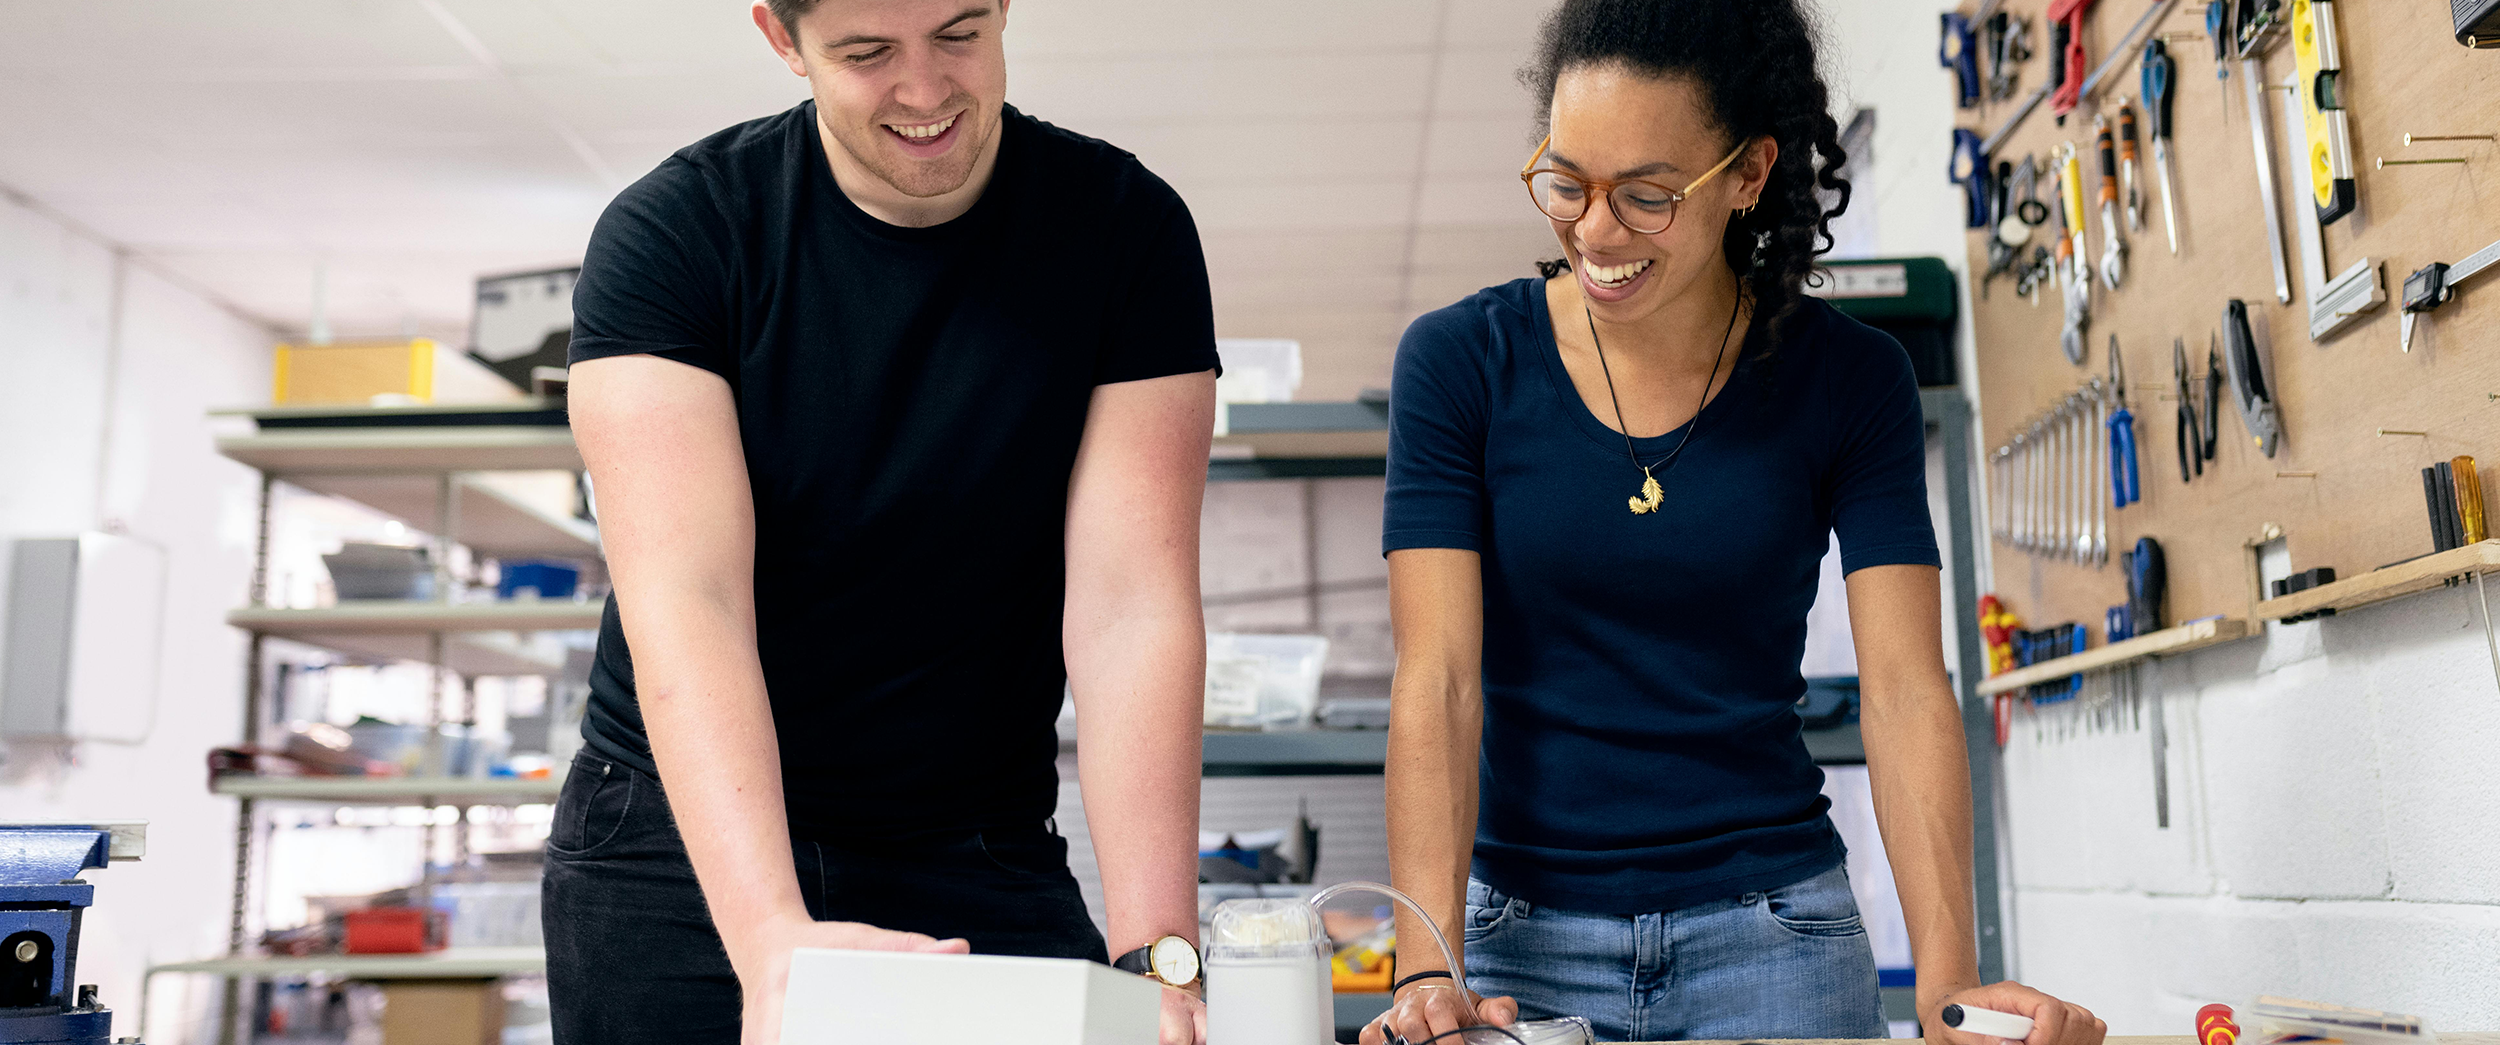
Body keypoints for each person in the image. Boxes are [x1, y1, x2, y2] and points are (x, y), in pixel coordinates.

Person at [1367, 1, 2109, 1043]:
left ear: (1748, 176)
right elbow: (1436, 679)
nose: (1593, 229)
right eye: (1566, 182)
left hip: (1774, 943)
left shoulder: (1850, 379)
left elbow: (1901, 689)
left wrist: (1949, 983)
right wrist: (1426, 968)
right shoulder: (1457, 365)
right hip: (1516, 947)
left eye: (1646, 196)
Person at [545, 2, 1216, 1043]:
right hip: (680, 843)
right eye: (866, 54)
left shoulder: (1124, 229)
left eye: (958, 34)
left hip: (974, 829)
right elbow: (690, 598)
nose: (925, 89)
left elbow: (1131, 609)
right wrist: (768, 935)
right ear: (782, 37)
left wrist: (1158, 953)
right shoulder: (676, 233)